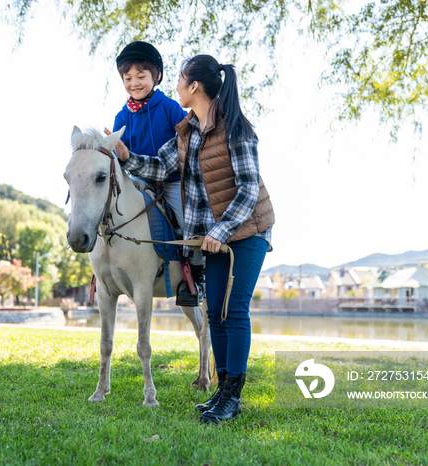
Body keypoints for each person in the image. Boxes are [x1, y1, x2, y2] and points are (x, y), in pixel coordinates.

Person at [111, 54, 275, 424]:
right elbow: (158, 167)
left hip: (248, 232)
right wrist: (125, 155)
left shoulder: (237, 128)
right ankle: (221, 391)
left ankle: (232, 396)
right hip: (212, 238)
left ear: (194, 86)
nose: (178, 86)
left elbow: (248, 189)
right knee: (214, 313)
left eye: (181, 79)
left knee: (233, 311)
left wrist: (219, 232)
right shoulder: (187, 131)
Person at [112, 41, 204, 306]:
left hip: (172, 181)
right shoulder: (121, 117)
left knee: (190, 224)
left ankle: (195, 278)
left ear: (157, 76)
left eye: (141, 76)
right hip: (138, 181)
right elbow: (121, 159)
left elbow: (185, 144)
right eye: (127, 78)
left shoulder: (170, 108)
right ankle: (109, 268)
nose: (134, 83)